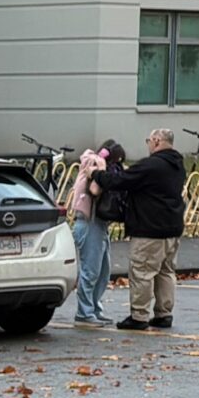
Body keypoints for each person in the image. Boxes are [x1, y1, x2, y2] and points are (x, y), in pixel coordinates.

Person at [115, 127, 188, 332]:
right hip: (172, 228)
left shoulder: (151, 165)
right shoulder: (177, 165)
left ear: (156, 141)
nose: (148, 144)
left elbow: (121, 181)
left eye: (149, 140)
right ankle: (164, 314)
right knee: (166, 271)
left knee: (142, 272)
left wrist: (98, 175)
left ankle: (139, 316)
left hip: (149, 229)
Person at [65, 139, 119, 326]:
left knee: (103, 271)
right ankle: (84, 312)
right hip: (89, 223)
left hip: (100, 225)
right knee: (91, 271)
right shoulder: (92, 165)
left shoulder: (97, 165)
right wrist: (101, 170)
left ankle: (94, 307)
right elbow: (95, 190)